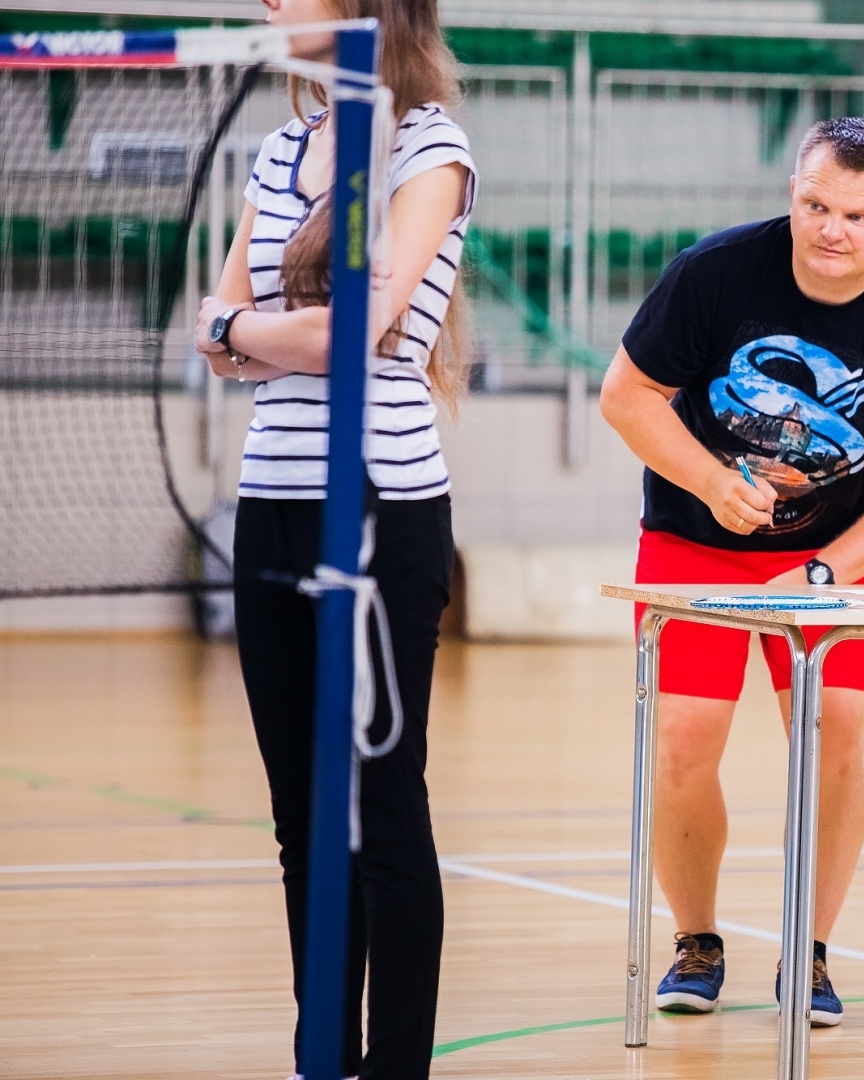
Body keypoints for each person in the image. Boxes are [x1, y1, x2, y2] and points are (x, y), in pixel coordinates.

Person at [599, 117, 864, 1027]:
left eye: (857, 212)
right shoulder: (714, 273)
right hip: (692, 543)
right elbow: (626, 395)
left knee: (836, 732)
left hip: (832, 556)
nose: (831, 228)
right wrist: (709, 480)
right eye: (815, 204)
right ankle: (697, 942)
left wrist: (820, 571)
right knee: (685, 741)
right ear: (793, 194)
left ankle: (807, 949)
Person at [193, 0, 477, 1074]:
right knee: (300, 818)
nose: (269, 3)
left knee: (381, 803)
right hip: (269, 501)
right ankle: (326, 1055)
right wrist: (269, 334)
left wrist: (254, 333)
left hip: (382, 510)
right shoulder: (280, 151)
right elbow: (216, 328)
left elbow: (357, 332)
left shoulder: (430, 145)